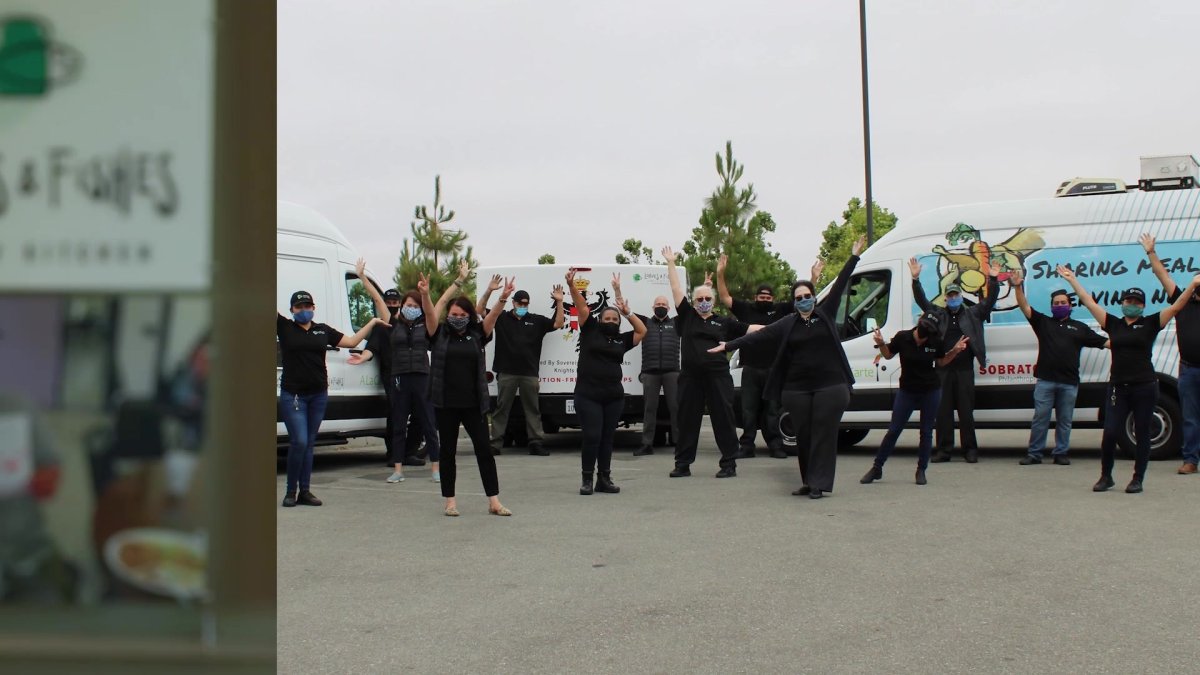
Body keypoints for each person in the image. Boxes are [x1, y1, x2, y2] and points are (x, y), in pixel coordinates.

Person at [711, 237, 865, 498]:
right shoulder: (788, 322)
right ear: (794, 302)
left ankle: (819, 483)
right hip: (798, 389)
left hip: (831, 385)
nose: (803, 300)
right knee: (804, 434)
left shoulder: (825, 314)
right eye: (799, 297)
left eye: (807, 296)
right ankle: (808, 480)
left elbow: (840, 284)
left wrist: (853, 257)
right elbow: (758, 336)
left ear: (814, 298)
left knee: (823, 434)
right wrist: (728, 346)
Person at [1058, 266, 1199, 493]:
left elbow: (1177, 306)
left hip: (1145, 386)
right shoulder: (1113, 324)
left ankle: (1137, 479)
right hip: (1118, 387)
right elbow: (1088, 301)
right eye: (1128, 300)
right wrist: (1072, 280)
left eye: (1136, 301)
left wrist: (1192, 285)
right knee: (1111, 431)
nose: (1131, 303)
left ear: (1142, 306)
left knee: (1143, 433)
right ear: (1122, 303)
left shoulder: (1151, 323)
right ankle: (1106, 476)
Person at [278, 289, 385, 507]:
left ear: (313, 308)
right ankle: (291, 491)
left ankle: (305, 491)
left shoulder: (322, 330)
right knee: (299, 441)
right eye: (299, 307)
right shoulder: (285, 326)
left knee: (309, 443)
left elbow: (353, 339)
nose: (304, 310)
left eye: (308, 306)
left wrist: (372, 322)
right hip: (294, 395)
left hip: (318, 395)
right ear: (292, 310)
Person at [421, 271, 512, 517]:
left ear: (469, 316)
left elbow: (491, 317)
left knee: (484, 450)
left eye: (462, 315)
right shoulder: (438, 334)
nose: (458, 318)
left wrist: (502, 298)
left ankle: (494, 501)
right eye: (454, 315)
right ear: (448, 316)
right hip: (445, 404)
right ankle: (450, 501)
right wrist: (425, 294)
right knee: (447, 452)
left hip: (474, 404)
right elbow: (431, 312)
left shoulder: (476, 335)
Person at [660, 246, 750, 479]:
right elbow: (675, 288)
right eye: (699, 299)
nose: (703, 302)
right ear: (693, 301)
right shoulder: (688, 316)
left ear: (714, 300)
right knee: (687, 420)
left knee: (723, 418)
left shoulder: (724, 323)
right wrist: (671, 263)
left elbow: (753, 330)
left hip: (718, 377)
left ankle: (729, 463)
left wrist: (784, 327)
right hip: (690, 378)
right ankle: (682, 464)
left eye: (707, 299)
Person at [1008, 268, 1109, 466]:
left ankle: (1061, 453)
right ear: (1052, 306)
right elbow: (1024, 306)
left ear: (1070, 306)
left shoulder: (1080, 328)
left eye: (1063, 303)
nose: (1060, 305)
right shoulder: (1043, 323)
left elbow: (1105, 342)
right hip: (1045, 381)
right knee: (1040, 419)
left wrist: (1129, 340)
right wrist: (1017, 286)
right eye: (1056, 304)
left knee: (1065, 421)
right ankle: (1034, 454)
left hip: (1069, 383)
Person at [715, 256, 810, 459]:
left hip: (774, 369)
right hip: (750, 368)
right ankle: (747, 446)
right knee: (748, 410)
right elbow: (724, 297)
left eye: (768, 298)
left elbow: (804, 300)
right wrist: (720, 273)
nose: (765, 300)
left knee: (772, 409)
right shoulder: (746, 309)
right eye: (761, 298)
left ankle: (775, 445)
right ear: (756, 297)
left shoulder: (781, 310)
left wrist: (813, 277)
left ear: (772, 299)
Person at [350, 278, 442, 484]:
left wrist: (425, 294)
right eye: (408, 305)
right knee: (398, 424)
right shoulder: (393, 325)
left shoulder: (426, 326)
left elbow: (432, 310)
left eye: (415, 306)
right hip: (399, 378)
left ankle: (436, 468)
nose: (412, 309)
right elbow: (377, 299)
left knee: (428, 422)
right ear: (402, 306)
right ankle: (398, 470)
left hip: (421, 377)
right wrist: (363, 278)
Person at [911, 256, 1000, 463]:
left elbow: (990, 301)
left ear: (961, 295)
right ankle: (944, 450)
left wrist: (993, 280)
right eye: (950, 295)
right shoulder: (938, 314)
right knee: (942, 412)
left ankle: (970, 450)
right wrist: (916, 280)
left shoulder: (973, 313)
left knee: (966, 411)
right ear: (945, 298)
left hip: (964, 370)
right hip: (942, 369)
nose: (953, 298)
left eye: (956, 295)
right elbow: (922, 301)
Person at [860, 315, 967, 486]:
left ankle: (921, 469)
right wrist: (881, 343)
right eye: (925, 328)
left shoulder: (935, 341)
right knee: (894, 430)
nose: (925, 334)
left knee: (926, 432)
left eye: (930, 331)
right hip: (907, 391)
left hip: (931, 390)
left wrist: (955, 351)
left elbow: (941, 362)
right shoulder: (903, 337)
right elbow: (887, 355)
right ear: (919, 324)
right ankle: (877, 467)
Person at [569, 272, 646, 494]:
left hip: (613, 396)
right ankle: (586, 480)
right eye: (607, 319)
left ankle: (604, 478)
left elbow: (642, 331)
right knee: (592, 436)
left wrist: (627, 312)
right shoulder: (590, 330)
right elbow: (581, 307)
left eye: (615, 320)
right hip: (588, 394)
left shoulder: (622, 339)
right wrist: (571, 285)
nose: (611, 321)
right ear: (600, 320)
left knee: (607, 438)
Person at [481, 274, 565, 456]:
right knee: (501, 408)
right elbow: (480, 310)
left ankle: (535, 443)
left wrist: (559, 302)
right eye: (520, 303)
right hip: (506, 372)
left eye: (525, 303)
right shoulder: (501, 318)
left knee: (533, 409)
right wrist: (490, 291)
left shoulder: (536, 320)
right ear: (513, 303)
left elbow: (559, 323)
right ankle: (495, 444)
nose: (522, 306)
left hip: (529, 373)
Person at [1139, 234, 1200, 475]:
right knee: (1190, 417)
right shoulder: (1182, 302)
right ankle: (1191, 460)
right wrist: (1151, 252)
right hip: (1189, 369)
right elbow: (1162, 275)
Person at [633, 295, 680, 456]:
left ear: (669, 308)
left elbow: (693, 313)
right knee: (649, 409)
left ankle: (679, 442)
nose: (661, 306)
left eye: (664, 304)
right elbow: (627, 313)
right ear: (653, 307)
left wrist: (707, 286)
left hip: (672, 371)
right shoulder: (645, 323)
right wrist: (618, 291)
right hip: (650, 372)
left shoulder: (676, 323)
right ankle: (647, 444)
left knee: (675, 408)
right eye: (658, 304)